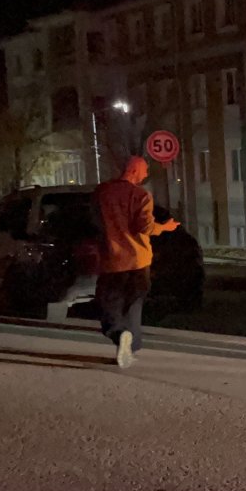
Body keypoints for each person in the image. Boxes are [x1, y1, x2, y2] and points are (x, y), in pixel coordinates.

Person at [93, 156, 180, 368]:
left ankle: (119, 335)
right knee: (133, 306)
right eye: (144, 170)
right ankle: (129, 348)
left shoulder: (102, 192)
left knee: (110, 305)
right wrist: (165, 227)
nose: (146, 174)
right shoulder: (141, 195)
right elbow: (145, 228)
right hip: (139, 261)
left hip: (112, 260)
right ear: (133, 170)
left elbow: (93, 221)